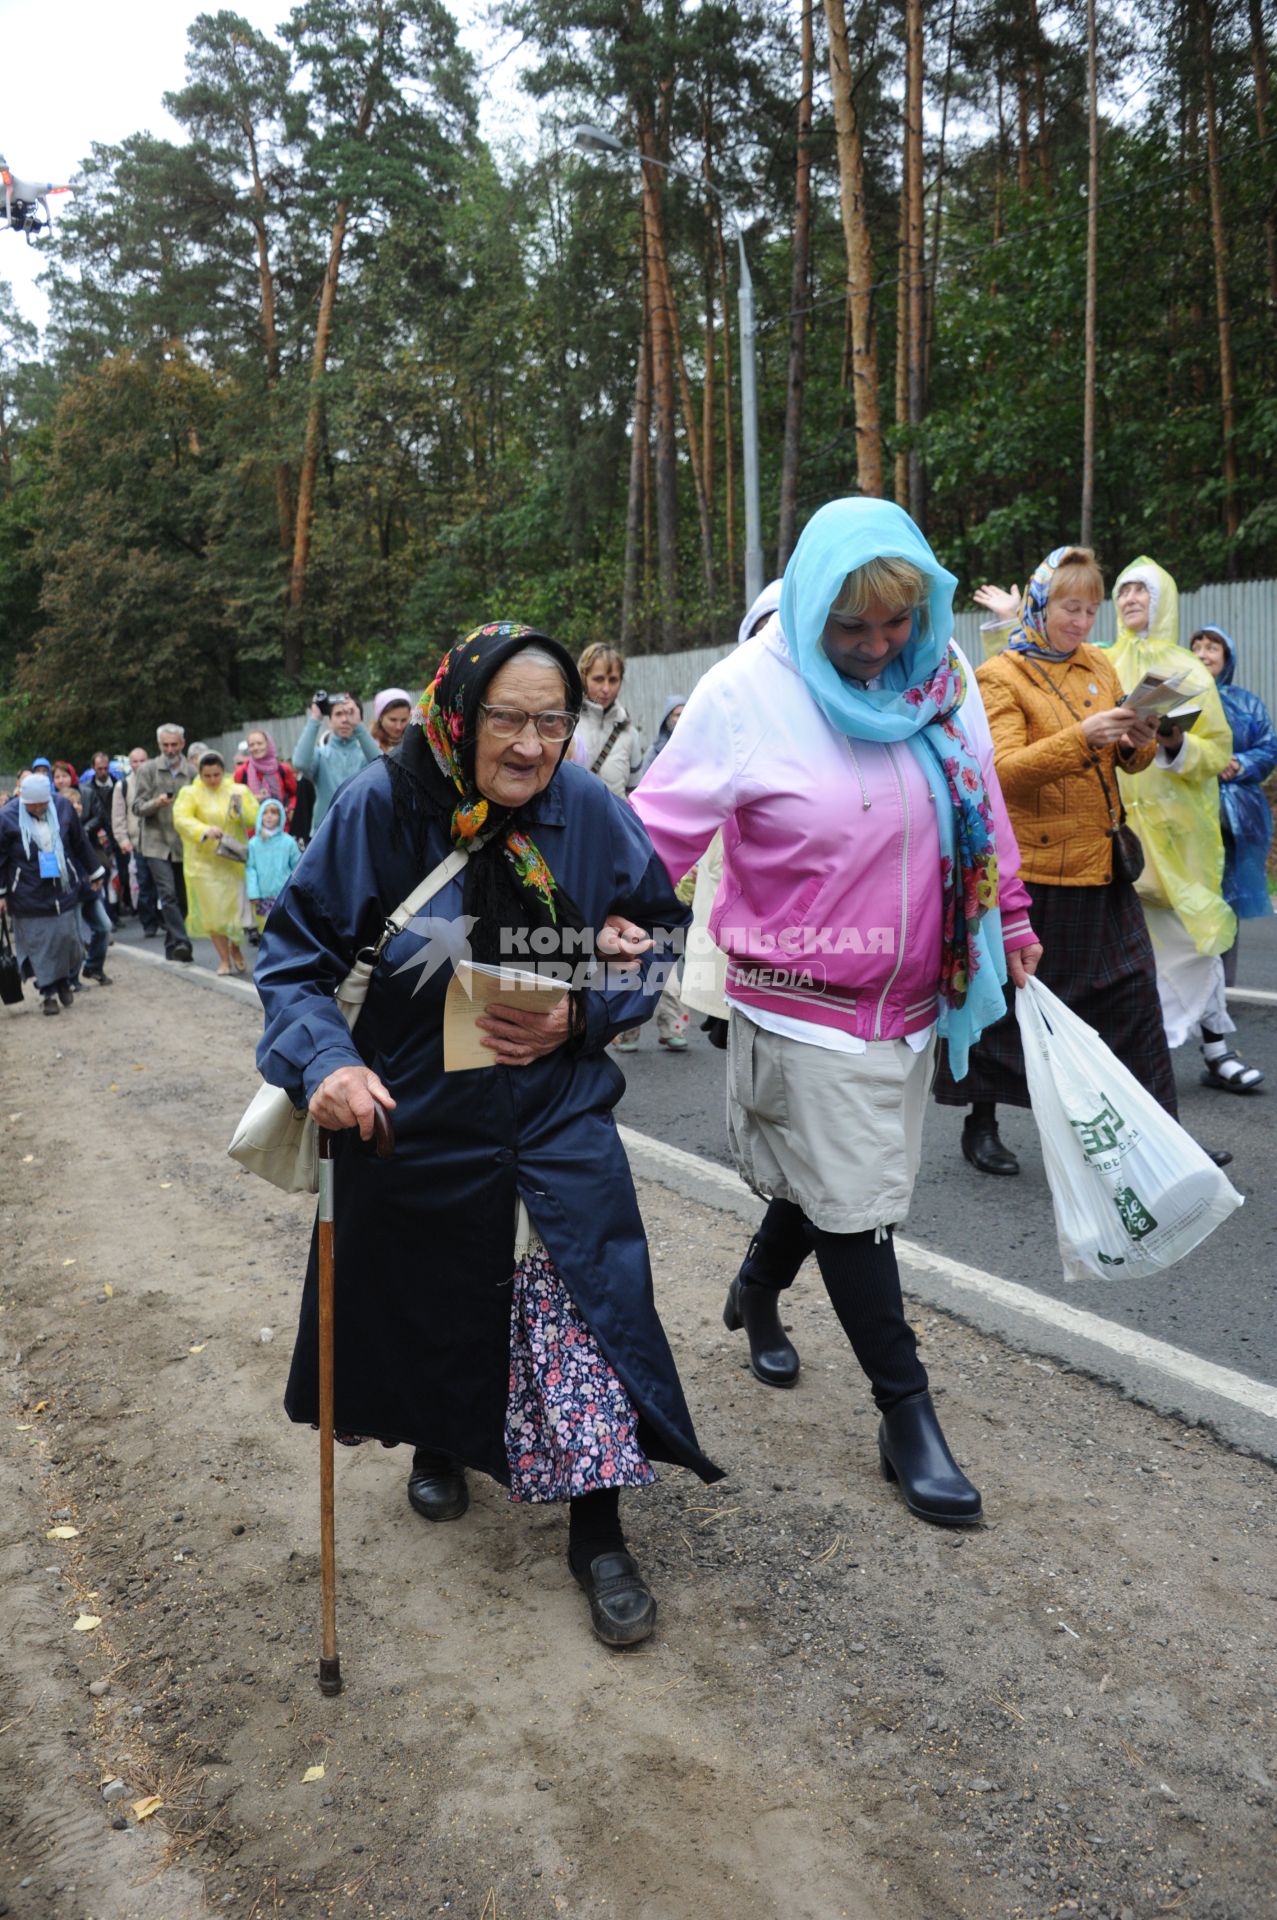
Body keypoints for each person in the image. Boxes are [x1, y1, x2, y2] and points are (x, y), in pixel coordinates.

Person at [253, 622, 720, 1648]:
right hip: (418, 1109)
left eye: (552, 721)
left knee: (589, 1308)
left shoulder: (587, 809)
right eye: (506, 718)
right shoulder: (383, 805)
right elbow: (292, 959)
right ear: (457, 712)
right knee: (434, 1290)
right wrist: (325, 1064)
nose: (529, 744)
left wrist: (585, 1013)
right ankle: (439, 1436)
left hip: (555, 1115)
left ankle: (597, 1533)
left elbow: (657, 935)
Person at [634, 498, 1041, 1527]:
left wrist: (1015, 918)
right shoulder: (744, 695)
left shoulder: (939, 680)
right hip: (802, 997)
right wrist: (574, 938)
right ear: (810, 606)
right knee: (858, 1205)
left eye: (892, 623)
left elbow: (978, 803)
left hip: (918, 992)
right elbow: (651, 839)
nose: (872, 649)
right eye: (849, 628)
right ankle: (905, 1419)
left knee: (847, 1181)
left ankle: (759, 1284)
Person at [929, 547, 1202, 1167]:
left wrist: (1147, 736)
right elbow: (1002, 774)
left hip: (1104, 863)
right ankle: (982, 1124)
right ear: (1039, 603)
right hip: (1035, 872)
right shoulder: (1002, 675)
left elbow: (1125, 759)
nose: (1080, 621)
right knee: (1012, 1006)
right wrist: (1083, 737)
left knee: (1136, 1001)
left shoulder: (1100, 665)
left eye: (1089, 609)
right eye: (1068, 607)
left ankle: (1165, 1139)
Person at [1109, 560, 1254, 1087]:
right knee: (1130, 950)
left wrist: (1173, 741)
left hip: (1180, 838)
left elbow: (1218, 752)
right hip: (1120, 833)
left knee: (1197, 938)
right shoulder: (1100, 661)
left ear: (1162, 599)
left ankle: (1207, 1048)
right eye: (1122, 589)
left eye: (1140, 591)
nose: (1129, 599)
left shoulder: (1190, 672)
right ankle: (1150, 1061)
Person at [682, 582, 786, 1051]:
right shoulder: (730, 704)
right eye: (765, 634)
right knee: (736, 1007)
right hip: (732, 869)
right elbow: (689, 797)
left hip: (799, 897)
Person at [1188, 624, 1276, 1087]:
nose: (1204, 653)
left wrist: (1239, 764)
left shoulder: (1246, 702)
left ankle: (1225, 987)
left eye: (1213, 646)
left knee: (1229, 906)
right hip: (1189, 821)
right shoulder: (1181, 696)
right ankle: (1192, 992)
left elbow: (1268, 745)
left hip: (1236, 819)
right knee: (1189, 908)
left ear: (1228, 654)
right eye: (1197, 646)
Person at [0, 772, 105, 1014]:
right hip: (27, 893)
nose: (38, 808)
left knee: (69, 942)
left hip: (63, 888)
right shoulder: (6, 817)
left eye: (42, 803)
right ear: (23, 800)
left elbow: (79, 843)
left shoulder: (63, 808)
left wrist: (95, 872)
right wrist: (2, 893)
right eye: (32, 805)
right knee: (40, 947)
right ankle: (48, 993)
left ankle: (64, 981)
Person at [172, 752, 258, 974]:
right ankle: (223, 960)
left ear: (224, 771)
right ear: (199, 773)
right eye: (207, 775)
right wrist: (203, 830)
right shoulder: (189, 793)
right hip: (203, 864)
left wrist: (242, 811)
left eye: (216, 774)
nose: (212, 780)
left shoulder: (237, 790)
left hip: (231, 861)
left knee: (234, 912)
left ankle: (235, 947)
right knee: (213, 913)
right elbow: (181, 819)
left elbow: (253, 817)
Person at [131, 726, 197, 963]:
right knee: (167, 894)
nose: (170, 750)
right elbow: (137, 807)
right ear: (159, 745)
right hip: (155, 843)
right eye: (165, 745)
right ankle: (182, 942)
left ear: (182, 743)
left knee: (183, 899)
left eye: (174, 745)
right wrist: (155, 804)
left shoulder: (191, 771)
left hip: (182, 843)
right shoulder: (148, 769)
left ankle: (172, 946)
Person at [292, 695, 380, 831]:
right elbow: (300, 762)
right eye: (338, 714)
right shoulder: (320, 755)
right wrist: (315, 718)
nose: (345, 720)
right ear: (330, 721)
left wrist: (358, 727)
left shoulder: (365, 754)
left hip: (360, 832)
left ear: (359, 718)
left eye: (350, 714)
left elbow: (382, 766)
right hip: (325, 833)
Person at [572, 644, 644, 799]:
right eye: (598, 679)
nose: (606, 689)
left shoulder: (629, 732)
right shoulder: (567, 724)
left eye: (613, 680)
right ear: (583, 677)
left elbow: (635, 793)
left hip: (617, 822)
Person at [112, 746, 162, 936]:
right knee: (144, 882)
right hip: (137, 841)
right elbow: (118, 816)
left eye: (143, 760)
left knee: (163, 882)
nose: (139, 765)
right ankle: (148, 922)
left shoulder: (158, 782)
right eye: (135, 761)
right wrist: (122, 839)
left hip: (159, 840)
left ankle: (165, 918)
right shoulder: (122, 786)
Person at [244, 797, 300, 926]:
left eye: (274, 813)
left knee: (285, 929)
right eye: (265, 812)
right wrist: (253, 893)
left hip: (284, 894)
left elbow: (297, 866)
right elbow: (250, 869)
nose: (269, 816)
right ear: (260, 816)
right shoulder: (254, 843)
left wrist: (295, 891)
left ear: (281, 817)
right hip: (263, 896)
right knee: (266, 930)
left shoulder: (288, 842)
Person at [234, 729, 299, 825]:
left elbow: (294, 794)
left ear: (268, 744)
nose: (256, 748)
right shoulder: (242, 772)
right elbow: (235, 800)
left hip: (281, 825)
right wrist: (251, 799)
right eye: (251, 745)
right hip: (254, 828)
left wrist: (291, 808)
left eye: (260, 743)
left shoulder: (282, 769)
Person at [370, 687, 413, 752]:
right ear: (381, 717)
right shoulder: (369, 745)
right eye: (393, 720)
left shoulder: (415, 740)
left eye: (404, 720)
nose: (399, 727)